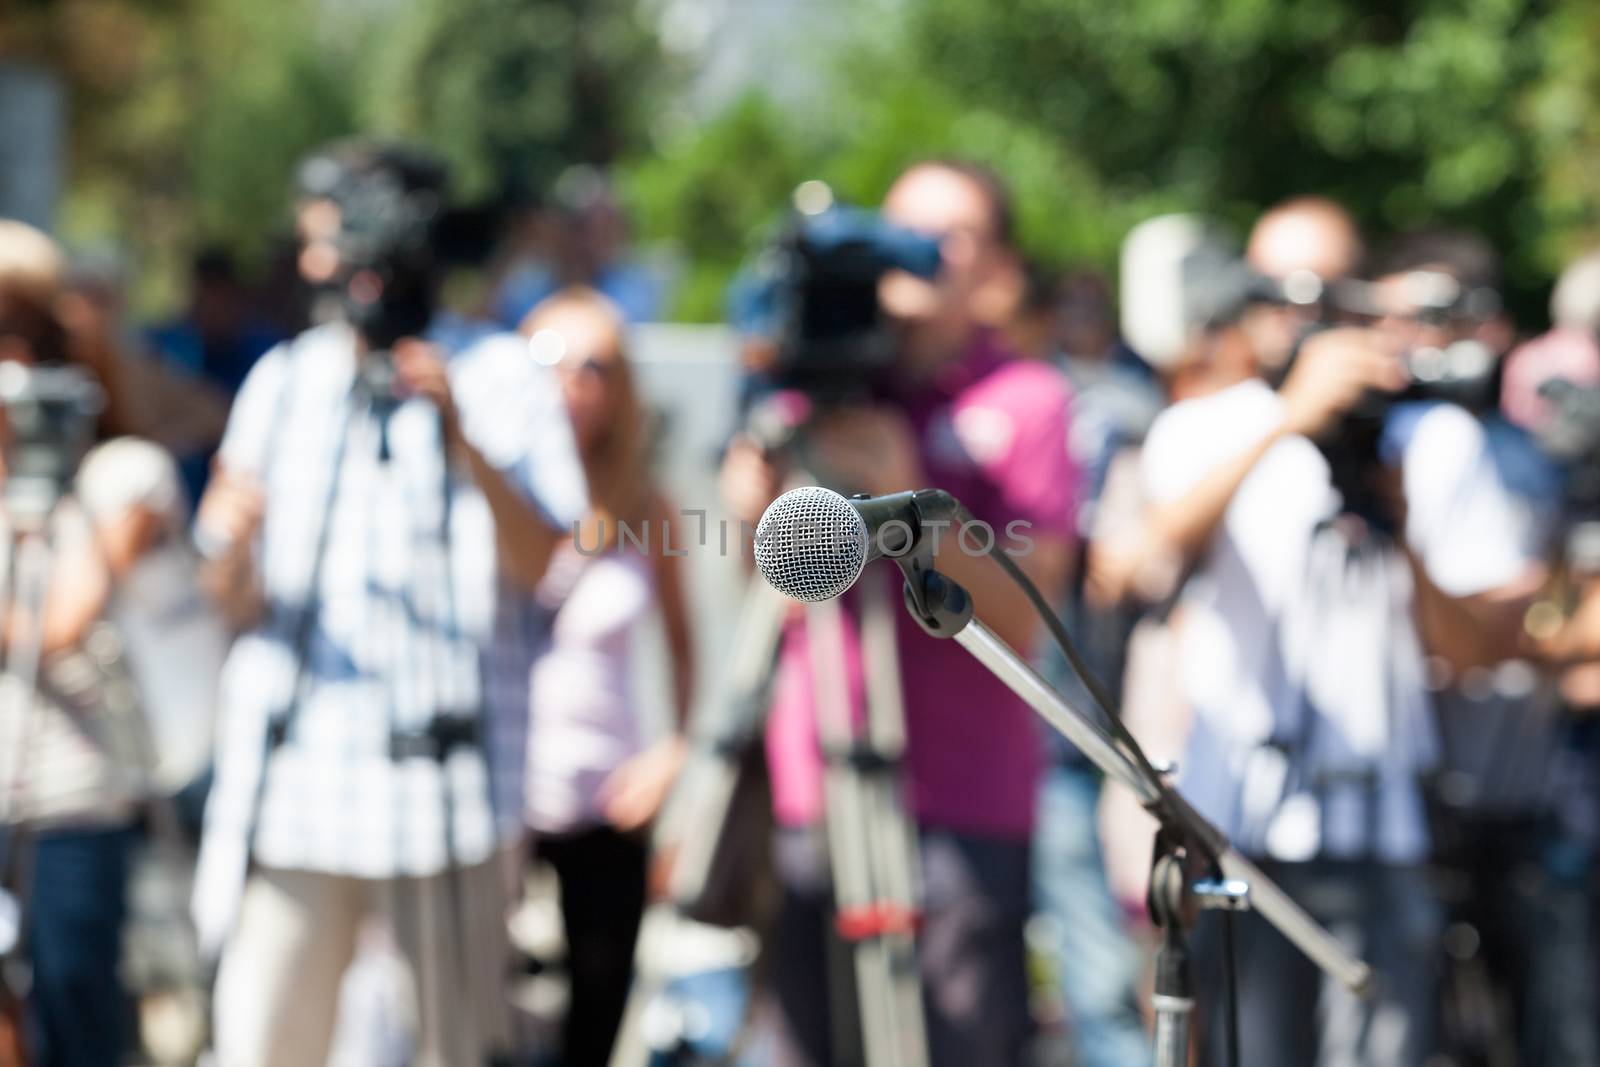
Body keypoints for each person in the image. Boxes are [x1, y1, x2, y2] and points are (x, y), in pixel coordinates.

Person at [193, 142, 587, 1067]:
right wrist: (229, 539)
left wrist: (461, 439)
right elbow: (232, 600)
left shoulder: (497, 373)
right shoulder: (285, 378)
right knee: (262, 1041)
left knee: (460, 1045)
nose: (312, 262)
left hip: (446, 792)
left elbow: (547, 567)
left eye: (325, 238)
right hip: (298, 786)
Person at [1133, 198, 1540, 1066]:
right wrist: (1288, 418)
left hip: (1386, 827)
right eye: (1277, 293)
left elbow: (1472, 652)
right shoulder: (1205, 426)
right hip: (1239, 818)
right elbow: (1134, 564)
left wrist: (1399, 529)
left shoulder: (1435, 436)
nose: (1301, 316)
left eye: (1325, 295)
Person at [720, 160, 1079, 1067]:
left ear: (996, 268)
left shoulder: (1024, 400)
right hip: (820, 787)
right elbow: (762, 588)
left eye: (948, 236)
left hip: (961, 801)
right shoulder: (813, 393)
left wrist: (904, 493)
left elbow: (1033, 610)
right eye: (900, 228)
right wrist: (752, 509)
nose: (914, 256)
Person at [0, 219, 190, 1067]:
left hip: (73, 799)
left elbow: (66, 617)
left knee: (76, 1019)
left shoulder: (121, 475)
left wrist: (48, 468)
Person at [517, 286, 695, 1067]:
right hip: (501, 786)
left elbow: (689, 645)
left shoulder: (644, 504)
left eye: (597, 365)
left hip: (605, 793)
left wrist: (672, 755)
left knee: (601, 1012)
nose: (575, 383)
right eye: (553, 361)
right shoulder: (495, 493)